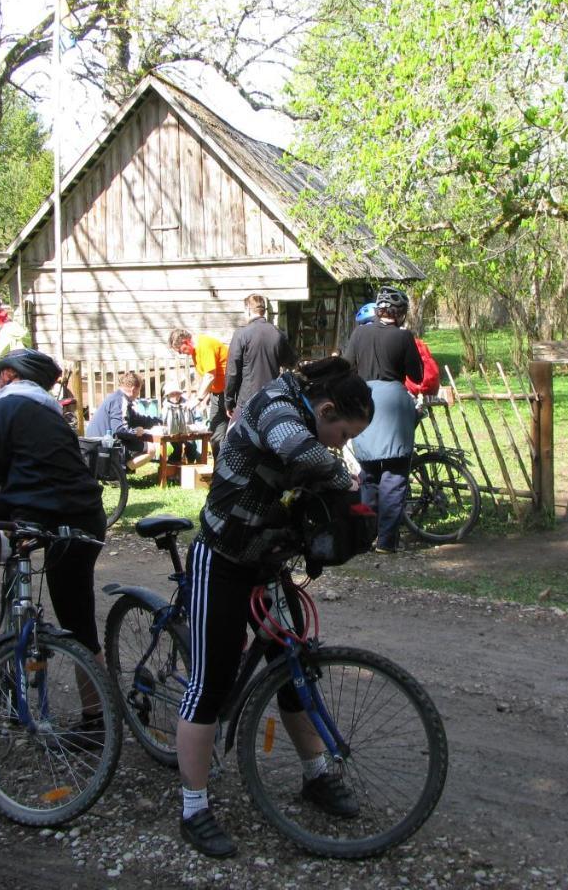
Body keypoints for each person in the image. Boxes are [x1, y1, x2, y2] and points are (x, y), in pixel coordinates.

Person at [176, 356, 374, 858]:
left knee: (294, 669)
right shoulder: (276, 406)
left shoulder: (311, 417)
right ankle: (193, 807)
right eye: (344, 433)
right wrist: (344, 478)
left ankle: (316, 774)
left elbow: (313, 465)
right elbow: (300, 450)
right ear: (326, 409)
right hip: (220, 561)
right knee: (210, 683)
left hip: (265, 563)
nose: (342, 445)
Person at [0, 348, 106, 664]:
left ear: (7, 376)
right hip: (87, 516)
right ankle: (98, 713)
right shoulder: (53, 415)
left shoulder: (1, 409)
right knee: (80, 629)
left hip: (44, 515)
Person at [341, 286, 423, 554]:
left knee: (369, 474)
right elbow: (417, 375)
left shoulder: (359, 333)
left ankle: (366, 537)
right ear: (399, 314)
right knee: (395, 474)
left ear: (379, 310)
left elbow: (347, 367)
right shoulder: (403, 337)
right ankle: (387, 541)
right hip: (394, 404)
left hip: (365, 403)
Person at [224, 294, 297, 418]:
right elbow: (291, 362)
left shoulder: (241, 334)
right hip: (272, 399)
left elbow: (232, 371)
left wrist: (229, 402)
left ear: (247, 309)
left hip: (247, 401)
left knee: (241, 436)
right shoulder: (277, 334)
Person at [168, 328, 229, 462]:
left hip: (230, 393)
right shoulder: (195, 352)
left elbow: (210, 375)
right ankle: (220, 472)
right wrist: (207, 397)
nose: (182, 354)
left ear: (186, 341)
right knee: (215, 434)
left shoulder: (204, 345)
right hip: (218, 394)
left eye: (181, 350)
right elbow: (208, 378)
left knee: (225, 433)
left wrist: (198, 399)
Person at [84, 370, 160, 462]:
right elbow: (119, 430)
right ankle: (121, 472)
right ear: (133, 390)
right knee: (151, 449)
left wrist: (158, 421)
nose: (138, 394)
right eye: (139, 390)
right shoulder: (120, 401)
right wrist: (135, 432)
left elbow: (135, 419)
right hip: (103, 446)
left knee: (136, 442)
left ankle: (120, 470)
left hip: (93, 445)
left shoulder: (117, 397)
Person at [160, 378, 199, 465]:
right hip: (173, 431)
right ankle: (175, 467)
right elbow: (163, 420)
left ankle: (191, 465)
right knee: (177, 448)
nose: (175, 396)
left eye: (177, 393)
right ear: (168, 395)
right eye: (172, 394)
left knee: (191, 446)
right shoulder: (166, 406)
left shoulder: (187, 404)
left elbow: (193, 419)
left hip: (187, 430)